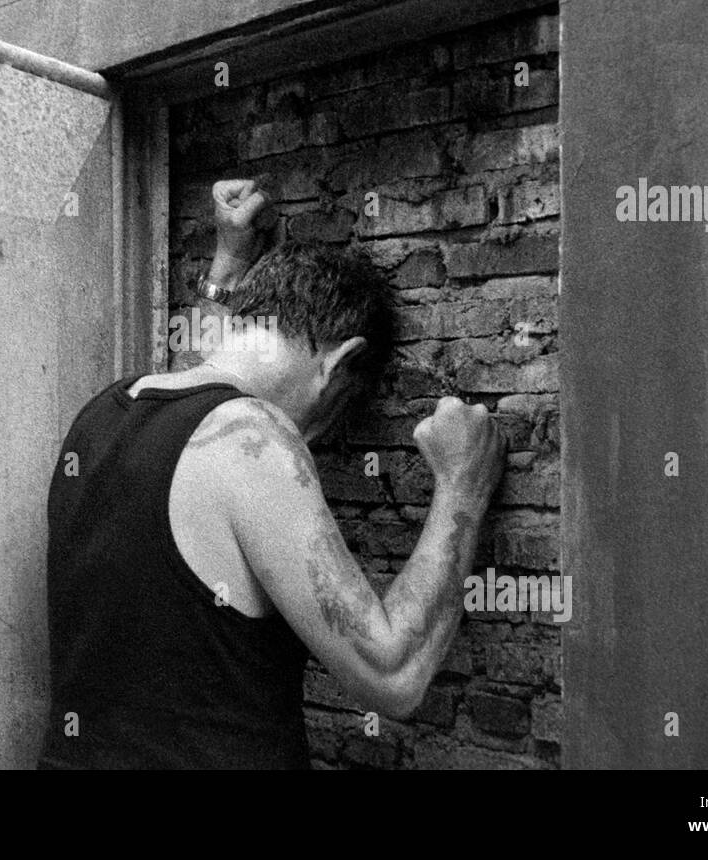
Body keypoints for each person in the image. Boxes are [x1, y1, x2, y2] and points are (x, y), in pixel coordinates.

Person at [37, 179, 506, 769]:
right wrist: (463, 487)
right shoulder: (253, 436)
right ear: (339, 363)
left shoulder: (103, 415)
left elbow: (202, 393)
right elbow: (394, 676)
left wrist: (226, 267)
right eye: (335, 416)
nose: (315, 440)